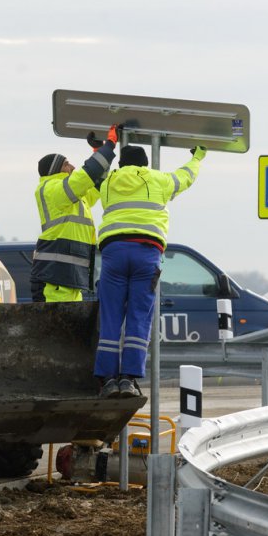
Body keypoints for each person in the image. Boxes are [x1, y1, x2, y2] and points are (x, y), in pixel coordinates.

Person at [93, 143, 207, 398]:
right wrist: (197, 157)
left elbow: (95, 174)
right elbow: (186, 176)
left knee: (110, 317)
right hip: (146, 253)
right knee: (139, 317)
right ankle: (128, 380)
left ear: (121, 164)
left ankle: (108, 380)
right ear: (145, 164)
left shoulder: (108, 182)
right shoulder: (158, 180)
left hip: (113, 253)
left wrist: (98, 150)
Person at [30, 126, 117, 303]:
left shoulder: (68, 192)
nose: (72, 167)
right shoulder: (52, 189)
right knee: (56, 322)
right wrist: (109, 145)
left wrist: (98, 150)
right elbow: (87, 174)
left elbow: (97, 183)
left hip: (66, 277)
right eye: (66, 164)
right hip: (54, 277)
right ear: (56, 170)